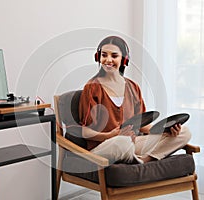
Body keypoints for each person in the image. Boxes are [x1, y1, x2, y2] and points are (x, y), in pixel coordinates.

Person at [78, 36, 191, 164]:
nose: (108, 60)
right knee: (122, 142)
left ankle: (144, 160)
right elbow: (84, 131)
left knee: (184, 132)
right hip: (105, 147)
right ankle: (134, 157)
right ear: (98, 57)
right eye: (104, 55)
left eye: (114, 56)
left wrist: (166, 130)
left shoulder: (133, 87)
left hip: (132, 143)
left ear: (124, 60)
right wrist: (111, 135)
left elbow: (143, 126)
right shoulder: (92, 88)